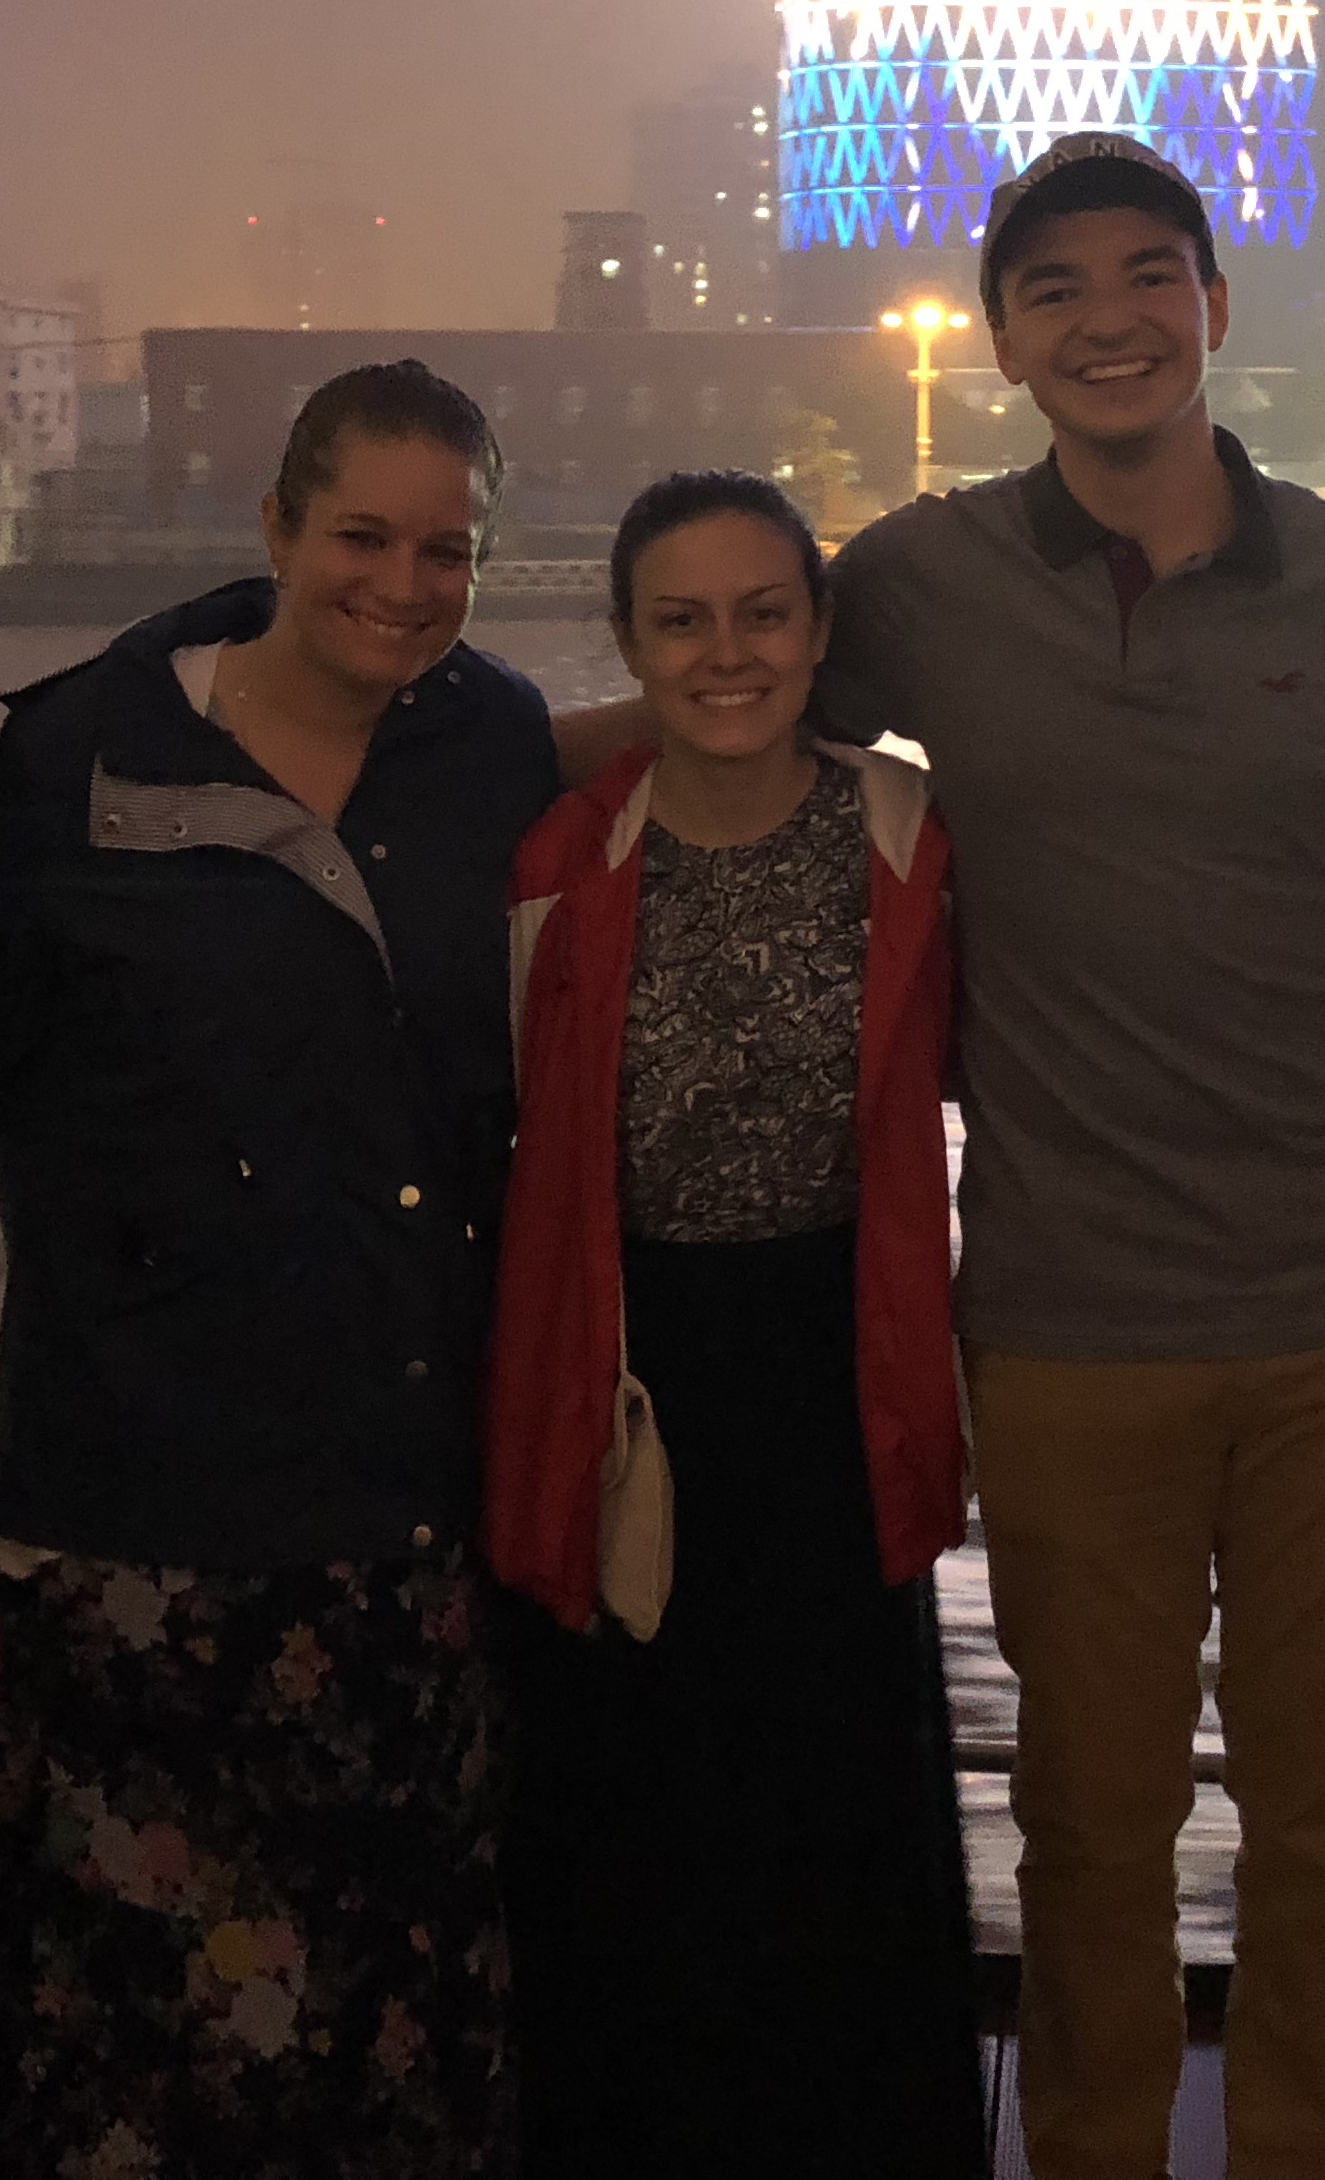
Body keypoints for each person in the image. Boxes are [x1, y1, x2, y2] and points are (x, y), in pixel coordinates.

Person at [807, 132, 1325, 2180]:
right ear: (1002, 340)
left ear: (1214, 306)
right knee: (1090, 1824)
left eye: (1147, 276)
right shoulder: (919, 583)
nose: (1109, 320)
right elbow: (716, 709)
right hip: (1070, 1320)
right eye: (1058, 290)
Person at [0, 361, 577, 2179]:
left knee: (385, 2025)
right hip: (145, 1492)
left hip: (400, 1479)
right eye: (361, 534)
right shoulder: (84, 756)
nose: (401, 581)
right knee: (131, 2048)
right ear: (276, 528)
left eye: (446, 548)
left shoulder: (493, 744)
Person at [483, 468, 984, 2177]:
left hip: (839, 1373)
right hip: (630, 1377)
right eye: (680, 621)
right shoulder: (561, 858)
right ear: (626, 645)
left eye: (764, 613)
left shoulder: (907, 839)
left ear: (821, 632)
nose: (726, 653)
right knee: (630, 1818)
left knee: (843, 1821)